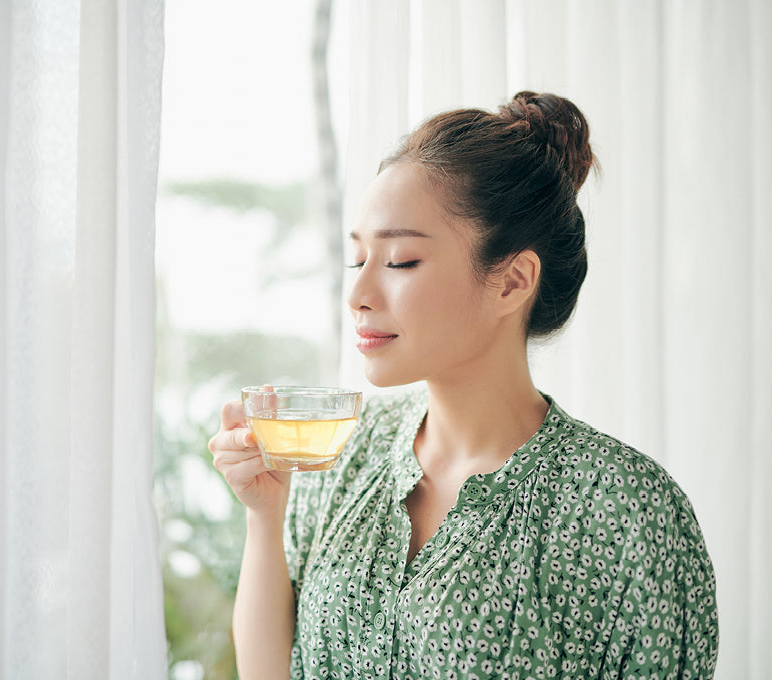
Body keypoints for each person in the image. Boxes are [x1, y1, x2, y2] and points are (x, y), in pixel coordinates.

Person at [209, 91, 719, 680]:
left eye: (400, 261)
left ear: (512, 281)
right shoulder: (344, 452)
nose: (359, 295)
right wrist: (265, 516)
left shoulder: (625, 509)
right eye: (358, 261)